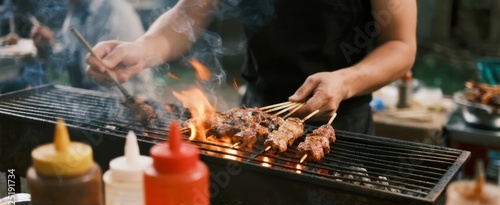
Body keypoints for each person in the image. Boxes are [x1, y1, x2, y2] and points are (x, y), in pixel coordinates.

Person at [86, 0, 417, 134]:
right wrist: (142, 49)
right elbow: (191, 12)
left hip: (341, 123)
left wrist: (345, 81)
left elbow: (401, 45)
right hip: (259, 115)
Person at [30, 0, 153, 94]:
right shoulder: (75, 11)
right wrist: (48, 44)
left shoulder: (114, 11)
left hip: (125, 96)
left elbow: (96, 70)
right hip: (91, 96)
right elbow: (67, 58)